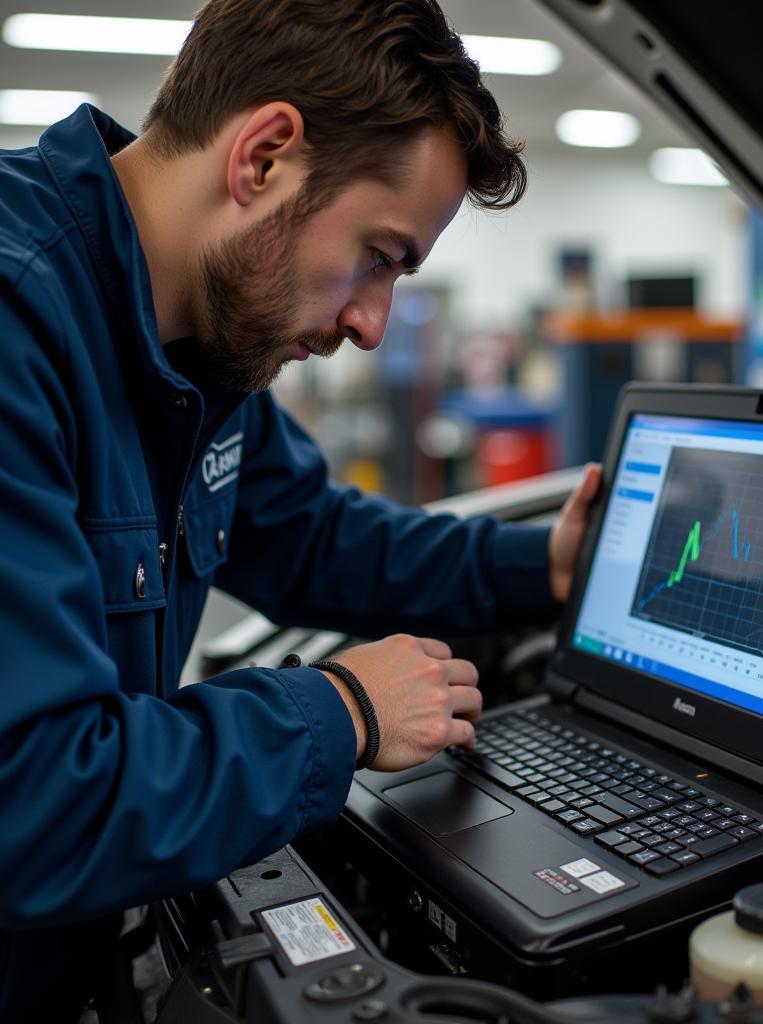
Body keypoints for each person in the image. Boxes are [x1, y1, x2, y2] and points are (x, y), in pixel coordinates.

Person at [0, 1, 601, 1018]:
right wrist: (345, 709)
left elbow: (313, 535)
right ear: (264, 157)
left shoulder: (192, 335)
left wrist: (543, 565)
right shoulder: (20, 323)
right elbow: (33, 800)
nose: (373, 323)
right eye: (378, 255)